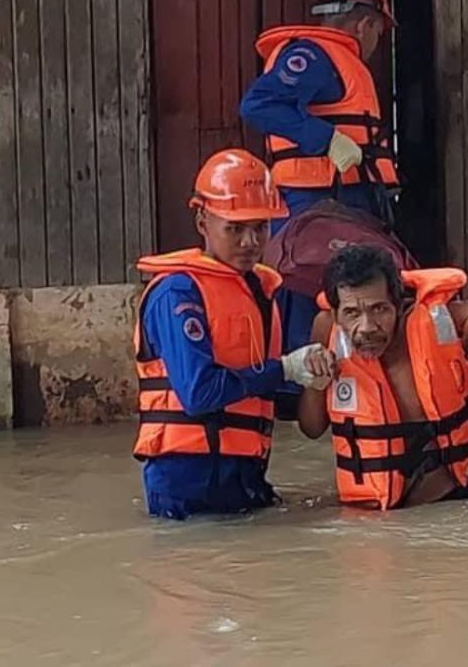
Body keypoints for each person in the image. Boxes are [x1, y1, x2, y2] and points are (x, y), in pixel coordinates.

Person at [132, 149, 336, 520]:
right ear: (202, 221)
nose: (249, 242)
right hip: (186, 487)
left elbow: (263, 395)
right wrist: (287, 369)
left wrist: (318, 380)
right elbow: (199, 393)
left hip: (244, 477)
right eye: (235, 228)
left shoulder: (261, 291)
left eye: (260, 227)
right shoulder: (178, 291)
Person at [240, 0, 401, 366]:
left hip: (346, 204)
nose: (377, 40)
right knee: (310, 301)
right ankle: (302, 400)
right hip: (312, 207)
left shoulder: (335, 61)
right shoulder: (313, 55)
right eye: (379, 31)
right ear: (364, 24)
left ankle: (354, 401)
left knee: (352, 300)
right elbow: (259, 104)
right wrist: (326, 139)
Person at [297, 245, 468, 510]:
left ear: (398, 304)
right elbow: (311, 428)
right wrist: (315, 382)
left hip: (443, 504)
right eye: (352, 313)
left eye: (379, 309)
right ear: (335, 315)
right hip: (367, 518)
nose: (367, 327)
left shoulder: (438, 320)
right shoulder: (325, 331)